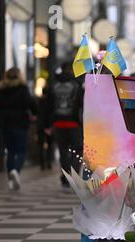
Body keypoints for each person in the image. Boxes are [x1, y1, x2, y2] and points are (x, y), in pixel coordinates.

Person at [0, 67, 37, 191]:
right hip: (20, 123)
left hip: (5, 124)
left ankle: (10, 180)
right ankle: (15, 171)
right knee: (21, 151)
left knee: (10, 152)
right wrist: (34, 114)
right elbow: (31, 103)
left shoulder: (1, 89)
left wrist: (0, 119)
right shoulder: (22, 88)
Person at [47, 62, 84, 192]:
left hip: (58, 123)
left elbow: (48, 105)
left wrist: (47, 124)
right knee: (77, 150)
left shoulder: (53, 84)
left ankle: (64, 177)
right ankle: (72, 177)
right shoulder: (77, 84)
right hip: (74, 123)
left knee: (63, 152)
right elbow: (82, 104)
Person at [36, 86, 54, 170]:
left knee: (40, 145)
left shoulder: (39, 101)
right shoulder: (51, 102)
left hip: (40, 126)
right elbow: (51, 114)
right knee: (50, 145)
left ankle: (42, 163)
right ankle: (49, 162)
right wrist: (49, 127)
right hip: (49, 126)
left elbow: (38, 114)